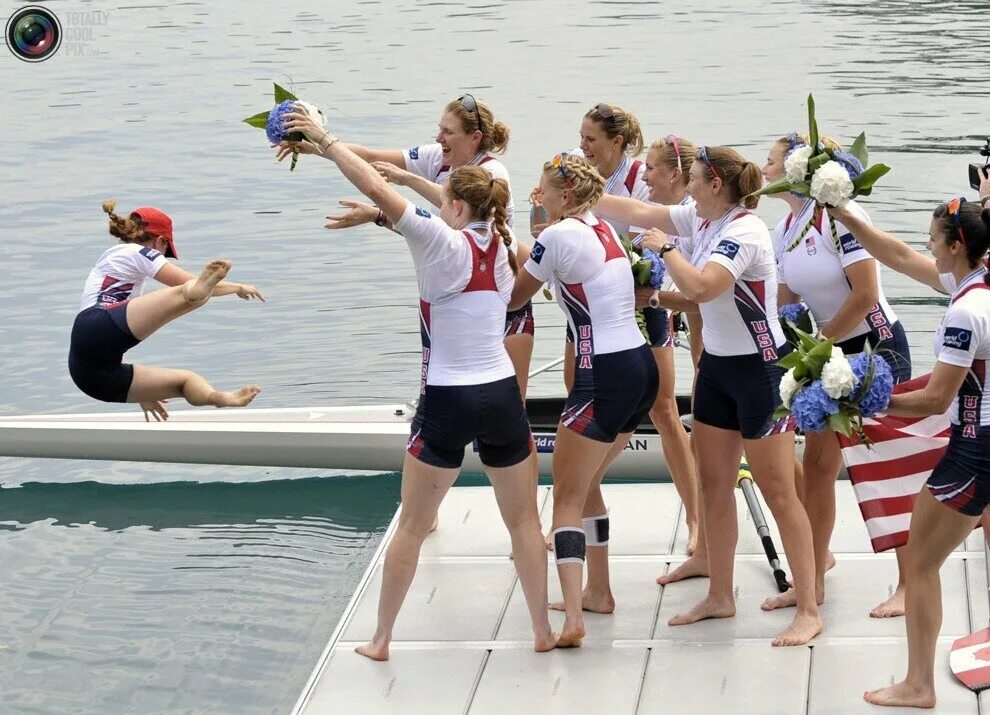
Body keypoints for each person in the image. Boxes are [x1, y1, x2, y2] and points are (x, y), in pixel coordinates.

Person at [281, 105, 556, 659]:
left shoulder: (439, 241)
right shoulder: (504, 249)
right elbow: (401, 199)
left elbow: (377, 190)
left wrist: (327, 141)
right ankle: (543, 632)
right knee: (524, 522)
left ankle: (381, 639)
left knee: (412, 523)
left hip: (449, 398)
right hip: (502, 394)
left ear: (454, 203)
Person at [595, 146, 823, 646]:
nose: (687, 188)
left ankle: (808, 607)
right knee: (714, 485)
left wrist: (663, 249)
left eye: (694, 180)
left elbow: (701, 288)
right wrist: (580, 195)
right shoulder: (698, 219)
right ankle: (721, 595)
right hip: (718, 369)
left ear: (715, 184)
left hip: (763, 372)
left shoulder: (744, 231)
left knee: (779, 492)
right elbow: (634, 211)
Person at [826, 198, 990, 708]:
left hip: (975, 450)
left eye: (934, 237)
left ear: (956, 244)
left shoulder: (965, 312)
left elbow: (936, 399)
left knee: (918, 564)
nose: (926, 243)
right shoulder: (978, 285)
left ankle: (919, 685)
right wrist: (847, 216)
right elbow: (896, 255)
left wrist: (863, 398)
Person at [275, 95, 536, 399]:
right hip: (462, 296)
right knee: (471, 400)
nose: (439, 138)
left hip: (504, 302)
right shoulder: (438, 157)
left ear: (475, 138)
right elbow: (371, 158)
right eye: (439, 130)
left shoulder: (492, 175)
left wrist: (406, 179)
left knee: (510, 407)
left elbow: (444, 206)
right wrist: (317, 147)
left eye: (448, 132)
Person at [760, 134, 913, 617]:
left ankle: (910, 583)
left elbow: (865, 293)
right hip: (823, 350)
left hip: (873, 345)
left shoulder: (843, 219)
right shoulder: (786, 227)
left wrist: (821, 343)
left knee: (886, 466)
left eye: (770, 160)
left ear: (798, 170)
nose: (763, 168)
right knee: (820, 469)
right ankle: (813, 580)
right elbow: (784, 302)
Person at [509, 152, 658, 646]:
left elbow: (514, 296)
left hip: (603, 374)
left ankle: (573, 618)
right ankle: (599, 592)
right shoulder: (603, 227)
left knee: (566, 496)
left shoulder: (555, 236)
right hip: (641, 368)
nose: (539, 196)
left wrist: (513, 244)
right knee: (588, 482)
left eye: (544, 191)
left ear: (565, 195)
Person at [69, 200, 264, 420]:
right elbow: (183, 282)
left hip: (90, 375)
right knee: (190, 294)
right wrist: (237, 287)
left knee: (186, 381)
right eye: (165, 251)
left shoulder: (114, 260)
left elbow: (104, 342)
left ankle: (220, 398)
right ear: (160, 240)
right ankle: (195, 294)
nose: (164, 256)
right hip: (97, 323)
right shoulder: (136, 252)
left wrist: (143, 393)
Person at [530, 103, 648, 395]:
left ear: (617, 142)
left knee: (662, 407)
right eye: (581, 137)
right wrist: (541, 214)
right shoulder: (572, 162)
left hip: (629, 294)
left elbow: (641, 250)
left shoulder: (639, 178)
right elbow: (539, 227)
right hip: (583, 294)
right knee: (574, 384)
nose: (582, 146)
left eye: (591, 140)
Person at [635, 136, 704, 569]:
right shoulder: (659, 201)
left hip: (667, 305)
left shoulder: (695, 217)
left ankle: (698, 521)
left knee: (665, 410)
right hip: (657, 303)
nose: (644, 177)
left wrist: (659, 299)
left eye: (591, 140)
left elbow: (701, 294)